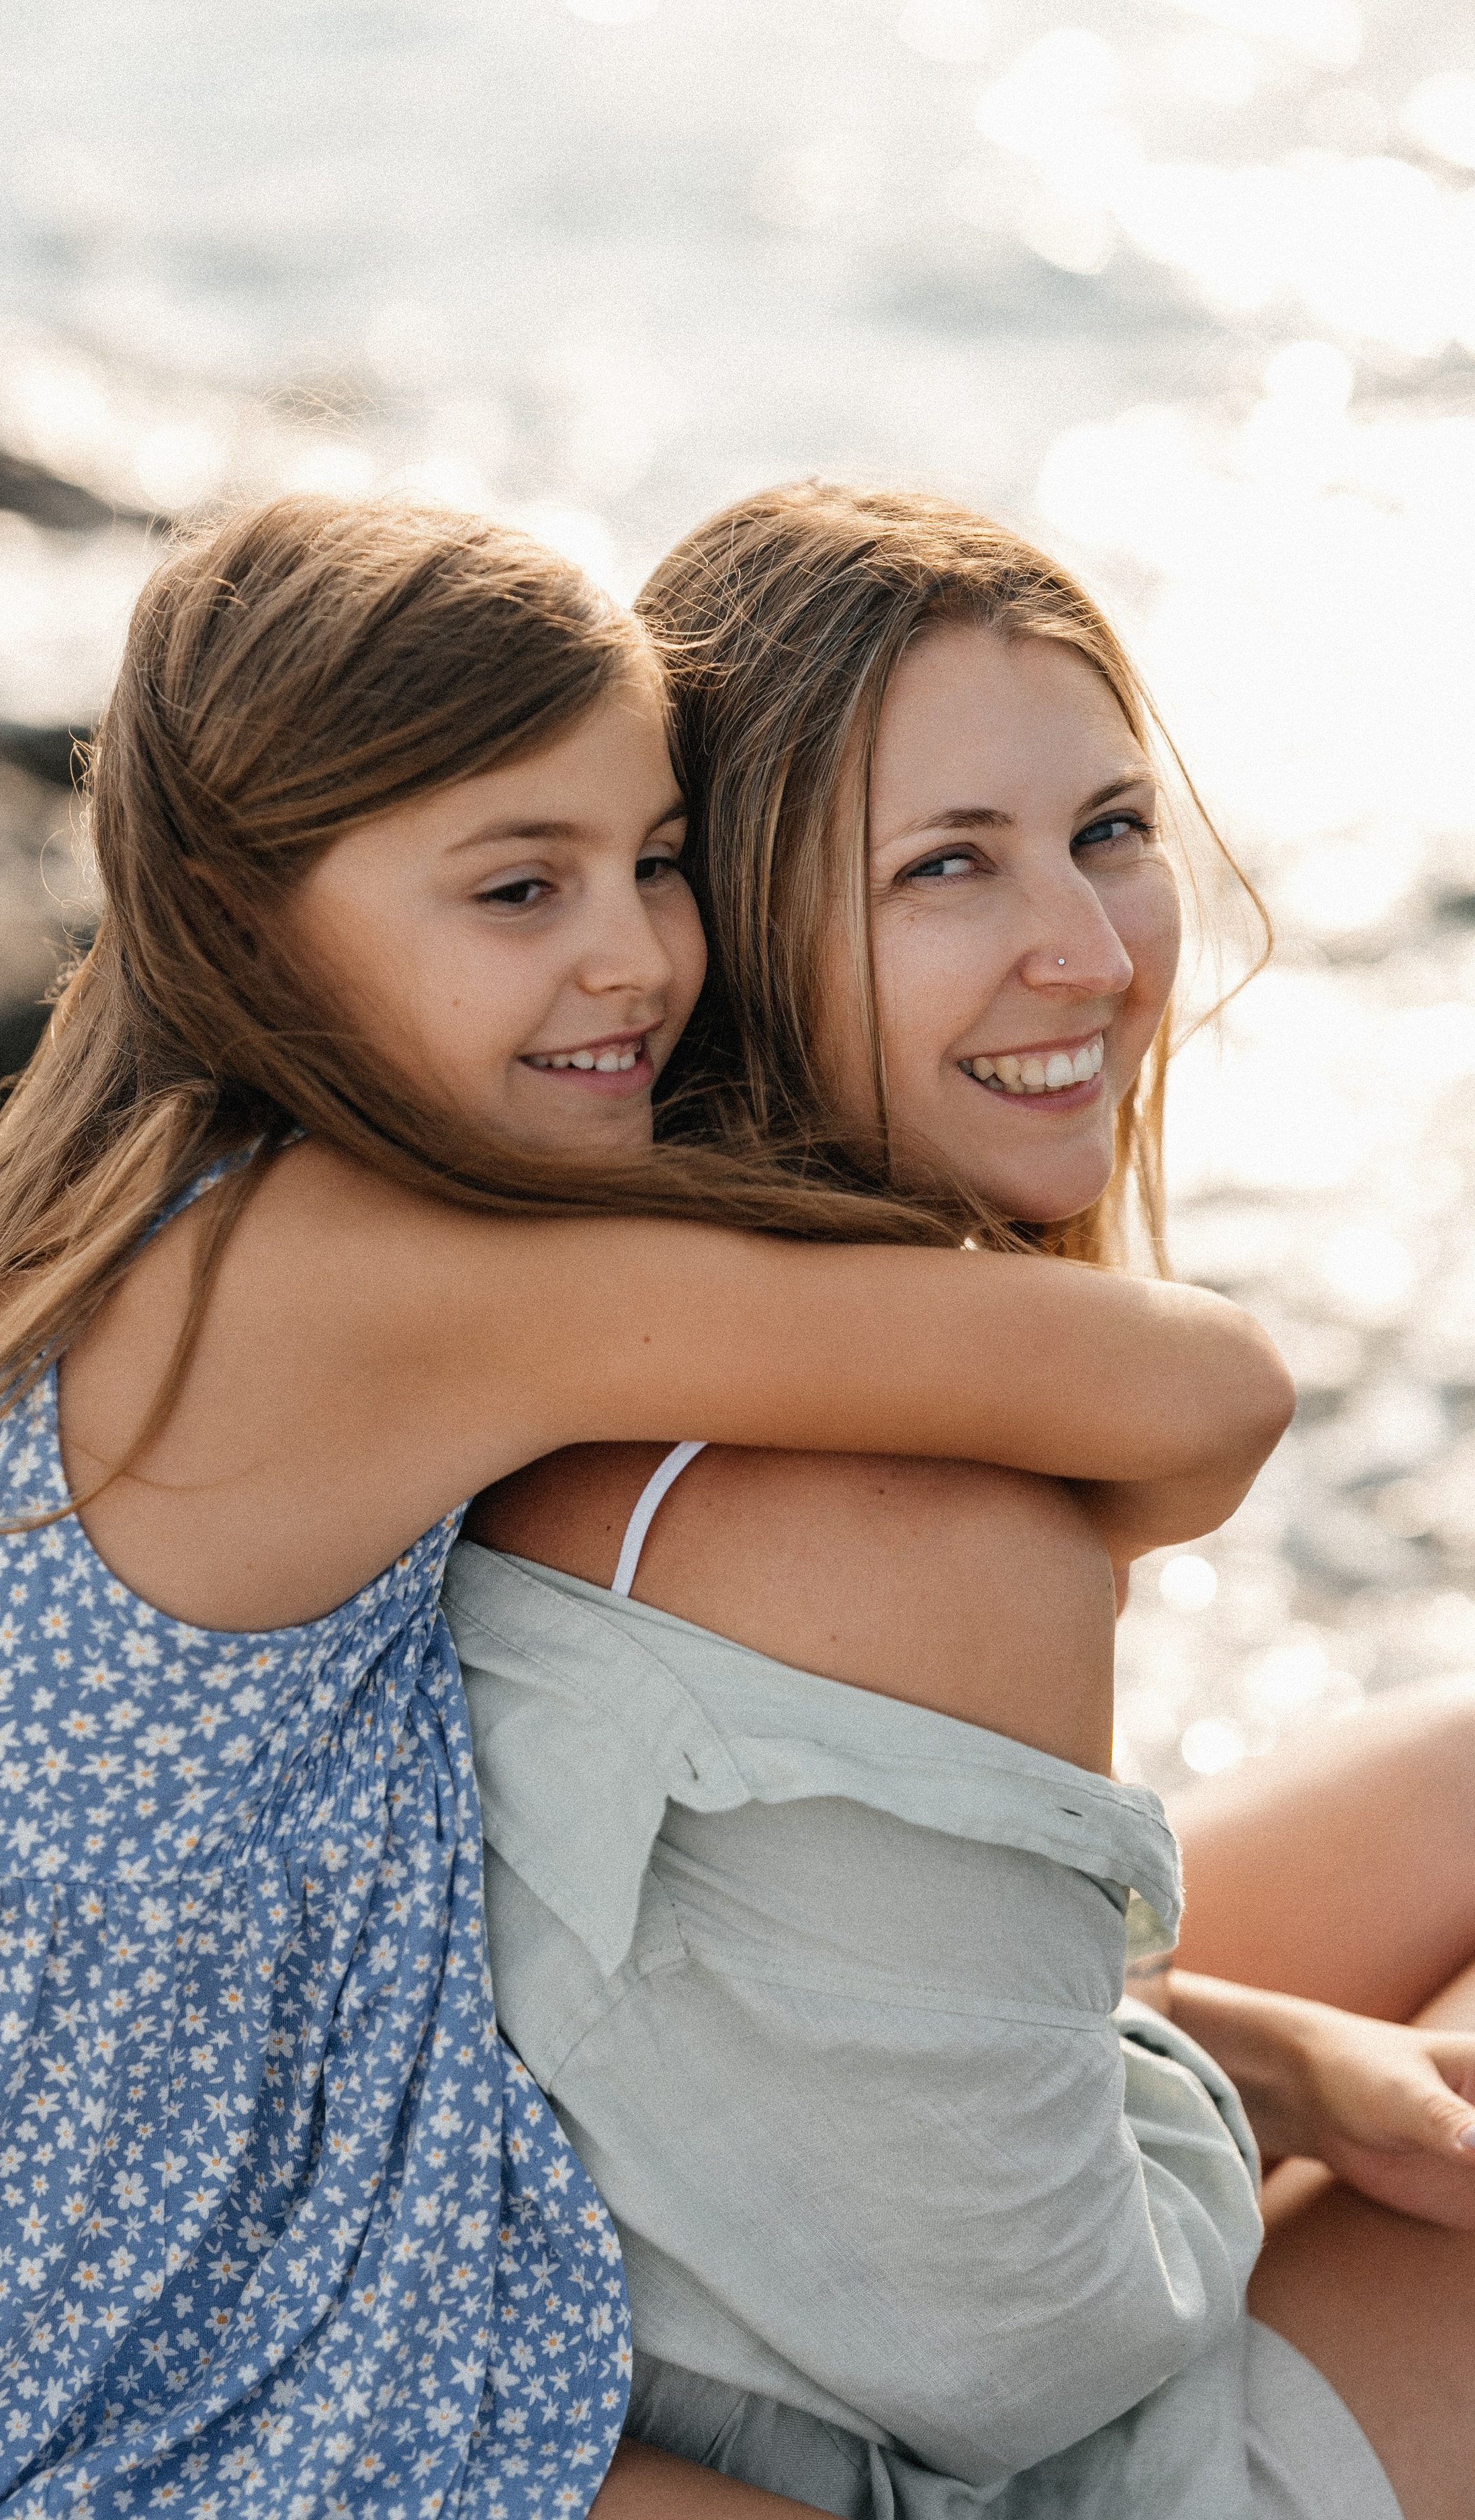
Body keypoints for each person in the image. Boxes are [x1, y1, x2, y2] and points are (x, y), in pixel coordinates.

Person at [0, 494, 1291, 2520]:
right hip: (91, 2415)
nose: (638, 958)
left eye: (658, 862)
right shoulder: (369, 1279)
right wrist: (971, 1555)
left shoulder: (120, 1202)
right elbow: (1211, 1394)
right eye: (517, 889)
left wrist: (1223, 2042)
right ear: (240, 912)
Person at [456, 482, 1475, 2520]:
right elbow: (1032, 2354)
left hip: (721, 2273)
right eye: (946, 867)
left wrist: (1265, 2050)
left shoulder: (535, 1311)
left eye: (1109, 830)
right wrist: (1238, 2093)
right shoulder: (937, 1521)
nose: (1091, 954)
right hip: (959, 2469)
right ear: (720, 921)